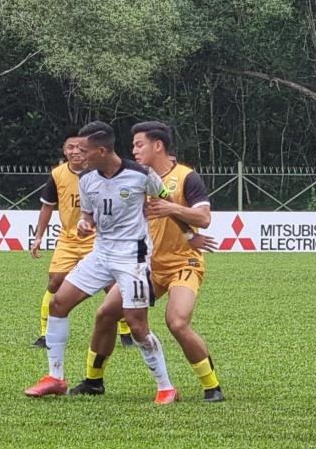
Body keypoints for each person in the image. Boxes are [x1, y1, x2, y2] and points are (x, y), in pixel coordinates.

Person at [24, 121, 178, 405]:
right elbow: (89, 217)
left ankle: (166, 387)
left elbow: (166, 201)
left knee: (136, 324)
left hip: (133, 256)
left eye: (84, 150)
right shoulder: (86, 180)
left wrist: (189, 232)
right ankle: (55, 377)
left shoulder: (142, 175)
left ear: (102, 150)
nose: (78, 155)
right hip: (101, 253)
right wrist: (84, 224)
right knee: (58, 303)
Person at [71, 121, 224, 403]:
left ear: (158, 145)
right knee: (105, 314)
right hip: (145, 265)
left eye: (139, 144)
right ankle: (93, 381)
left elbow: (203, 218)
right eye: (132, 145)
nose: (133, 150)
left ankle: (212, 387)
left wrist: (173, 211)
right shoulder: (135, 176)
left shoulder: (186, 177)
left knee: (176, 322)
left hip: (182, 264)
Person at [30, 130, 134, 349]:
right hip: (68, 239)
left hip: (97, 239)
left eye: (80, 147)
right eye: (70, 147)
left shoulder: (100, 173)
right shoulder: (57, 174)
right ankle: (44, 334)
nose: (75, 151)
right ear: (64, 150)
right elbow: (47, 206)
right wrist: (39, 236)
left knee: (112, 285)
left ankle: (126, 331)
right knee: (55, 281)